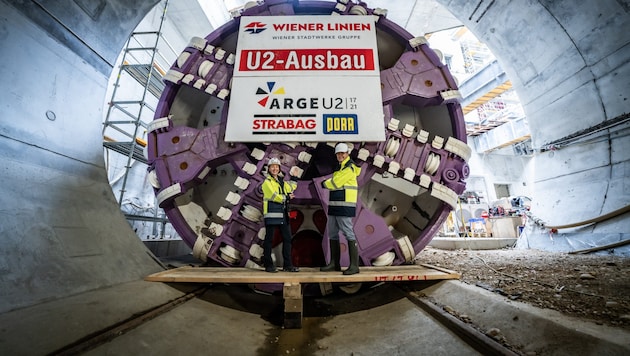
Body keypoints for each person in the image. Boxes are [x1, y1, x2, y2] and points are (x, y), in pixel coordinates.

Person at [320, 143, 361, 275]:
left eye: (342, 153)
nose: (340, 156)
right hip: (335, 205)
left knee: (348, 233)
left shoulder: (349, 169)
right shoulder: (340, 168)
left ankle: (354, 266)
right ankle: (334, 263)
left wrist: (324, 183)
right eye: (338, 154)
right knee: (332, 233)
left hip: (345, 205)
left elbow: (335, 183)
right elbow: (336, 180)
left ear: (347, 154)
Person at [261, 157, 299, 273]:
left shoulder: (281, 182)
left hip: (282, 214)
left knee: (287, 239)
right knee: (269, 240)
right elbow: (274, 196)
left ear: (279, 169)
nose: (275, 169)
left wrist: (294, 177)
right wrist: (287, 197)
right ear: (269, 169)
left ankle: (287, 265)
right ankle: (268, 265)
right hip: (272, 214)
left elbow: (291, 187)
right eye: (272, 167)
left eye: (277, 167)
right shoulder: (266, 183)